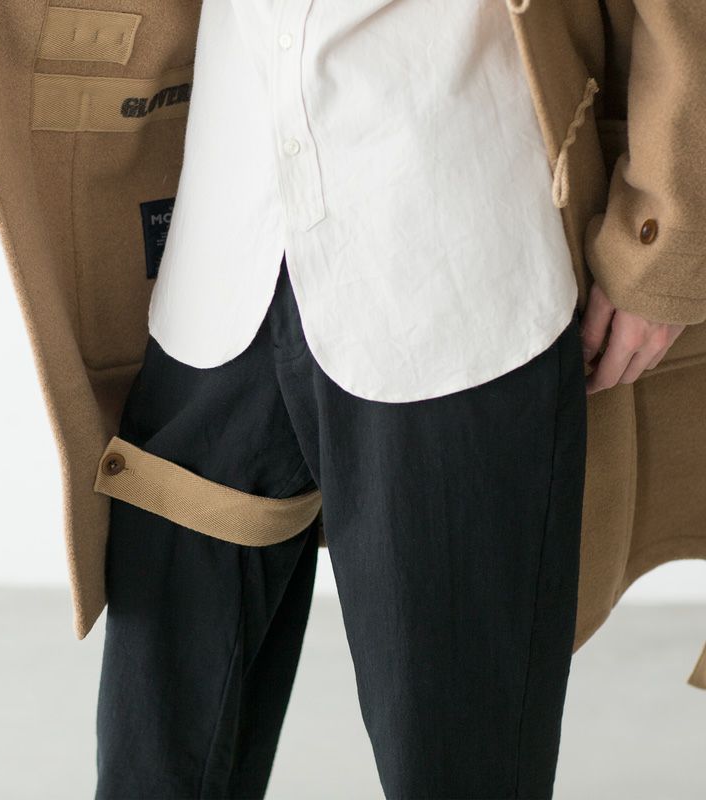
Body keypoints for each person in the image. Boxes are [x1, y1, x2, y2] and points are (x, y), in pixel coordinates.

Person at [94, 2, 686, 798]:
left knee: (455, 763)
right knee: (154, 754)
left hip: (450, 264)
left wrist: (668, 234)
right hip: (224, 240)